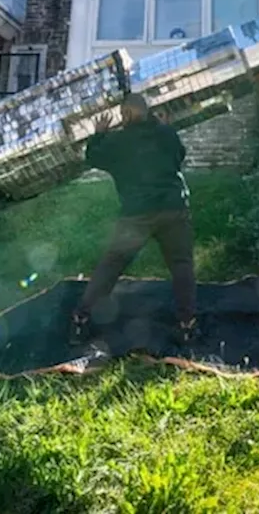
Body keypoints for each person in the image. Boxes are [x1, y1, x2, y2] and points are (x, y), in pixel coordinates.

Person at [70, 93, 199, 345]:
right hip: (173, 209)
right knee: (182, 266)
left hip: (136, 216)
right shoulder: (166, 133)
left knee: (112, 265)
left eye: (122, 114)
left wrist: (99, 133)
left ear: (127, 115)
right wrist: (163, 126)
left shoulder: (117, 142)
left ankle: (80, 320)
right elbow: (178, 156)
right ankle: (188, 326)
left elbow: (92, 157)